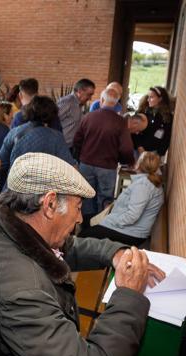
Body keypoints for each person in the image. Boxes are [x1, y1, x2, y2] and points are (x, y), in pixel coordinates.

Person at [0, 152, 166, 356]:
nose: (80, 218)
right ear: (50, 204)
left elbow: (70, 247)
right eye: (78, 207)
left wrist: (114, 253)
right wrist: (128, 296)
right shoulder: (21, 291)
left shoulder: (12, 225)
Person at [79, 151, 164, 246]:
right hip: (127, 227)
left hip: (131, 233)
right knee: (84, 220)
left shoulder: (143, 186)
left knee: (82, 236)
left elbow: (132, 216)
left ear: (139, 165)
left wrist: (108, 220)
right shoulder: (146, 181)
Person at [73, 88, 135, 216]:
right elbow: (126, 148)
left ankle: (85, 226)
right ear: (116, 103)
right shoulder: (120, 122)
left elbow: (77, 140)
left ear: (101, 100)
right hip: (107, 167)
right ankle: (100, 225)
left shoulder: (88, 117)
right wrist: (127, 161)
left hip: (86, 164)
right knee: (105, 198)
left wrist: (78, 159)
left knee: (86, 195)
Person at [0, 95, 75, 172]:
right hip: (45, 182)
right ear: (52, 114)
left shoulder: (14, 132)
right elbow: (71, 167)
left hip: (15, 182)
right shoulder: (57, 137)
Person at [133, 86, 173, 156]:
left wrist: (159, 154)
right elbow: (133, 130)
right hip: (138, 150)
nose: (148, 100)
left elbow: (167, 137)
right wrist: (139, 146)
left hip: (154, 153)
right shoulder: (142, 112)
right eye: (148, 97)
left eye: (151, 97)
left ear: (160, 99)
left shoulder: (167, 117)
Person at [57, 78, 96, 149]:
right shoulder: (67, 102)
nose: (90, 98)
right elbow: (52, 120)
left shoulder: (79, 105)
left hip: (70, 147)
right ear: (80, 91)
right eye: (89, 94)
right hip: (61, 146)